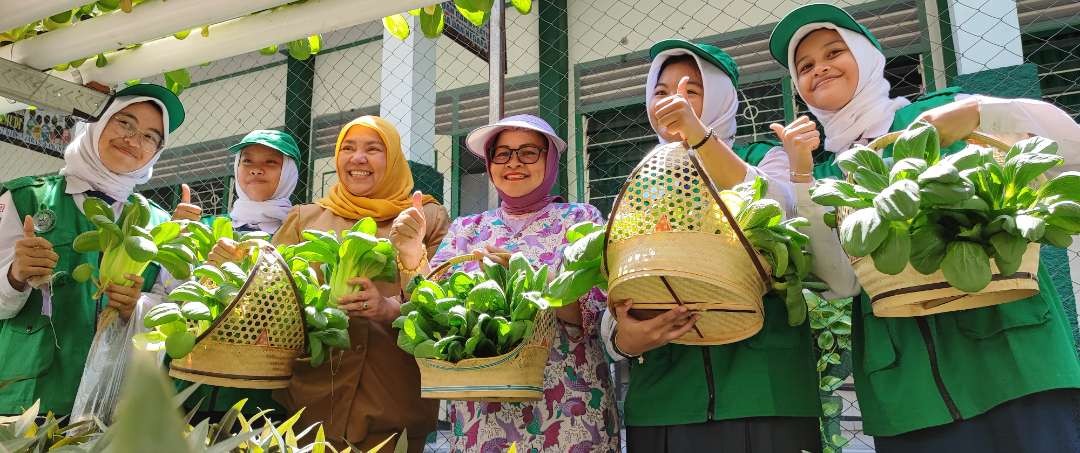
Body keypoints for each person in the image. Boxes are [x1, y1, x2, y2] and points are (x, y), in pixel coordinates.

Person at [768, 4, 1080, 451]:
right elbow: (840, 283)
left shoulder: (941, 112)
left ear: (867, 57)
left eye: (833, 52)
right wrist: (801, 178)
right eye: (805, 66)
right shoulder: (826, 174)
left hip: (1013, 360)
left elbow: (1070, 147)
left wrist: (975, 115)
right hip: (910, 390)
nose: (819, 69)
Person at [598, 39, 822, 452]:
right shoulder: (641, 183)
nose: (672, 101)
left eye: (690, 91)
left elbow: (776, 204)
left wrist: (697, 136)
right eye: (660, 92)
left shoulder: (766, 158)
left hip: (761, 392)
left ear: (719, 96)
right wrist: (625, 340)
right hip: (666, 400)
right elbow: (616, 286)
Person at [392, 114, 620, 452]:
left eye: (528, 152)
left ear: (550, 159)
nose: (514, 163)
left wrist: (528, 279)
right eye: (502, 154)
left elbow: (591, 317)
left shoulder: (580, 220)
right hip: (480, 415)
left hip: (569, 405)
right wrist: (411, 254)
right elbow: (430, 309)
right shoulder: (466, 229)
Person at [0, 84, 186, 415]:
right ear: (97, 123)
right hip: (27, 398)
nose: (133, 140)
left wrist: (137, 307)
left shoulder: (158, 224)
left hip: (112, 405)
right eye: (125, 123)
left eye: (150, 136)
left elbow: (174, 313)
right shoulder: (24, 199)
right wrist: (15, 275)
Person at [271, 115, 449, 452]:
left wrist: (388, 309)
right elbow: (273, 295)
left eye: (373, 149)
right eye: (348, 148)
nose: (358, 158)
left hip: (393, 402)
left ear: (394, 158)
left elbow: (444, 306)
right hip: (310, 401)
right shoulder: (305, 219)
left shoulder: (428, 218)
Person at [178, 129, 302, 420]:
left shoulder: (299, 235)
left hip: (263, 393)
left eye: (271, 163)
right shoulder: (209, 226)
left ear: (289, 173)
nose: (256, 169)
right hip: (193, 384)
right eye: (247, 161)